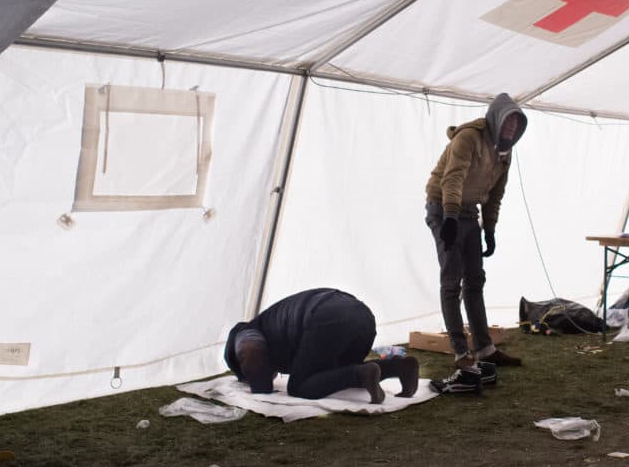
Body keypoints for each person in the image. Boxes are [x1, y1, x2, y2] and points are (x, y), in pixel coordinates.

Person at [424, 92, 527, 393]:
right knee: (452, 280)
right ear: (496, 119)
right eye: (508, 123)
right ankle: (461, 354)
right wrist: (451, 218)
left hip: (469, 212)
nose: (511, 130)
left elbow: (495, 194)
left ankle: (484, 350)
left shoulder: (505, 152)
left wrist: (490, 228)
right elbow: (452, 179)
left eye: (516, 126)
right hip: (444, 206)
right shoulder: (468, 137)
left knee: (475, 280)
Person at [224, 288, 419, 404]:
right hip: (363, 316)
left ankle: (361, 375)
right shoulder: (269, 323)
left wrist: (260, 387)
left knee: (300, 387)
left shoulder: (245, 331)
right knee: (335, 373)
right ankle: (398, 367)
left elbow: (251, 350)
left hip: (327, 317)